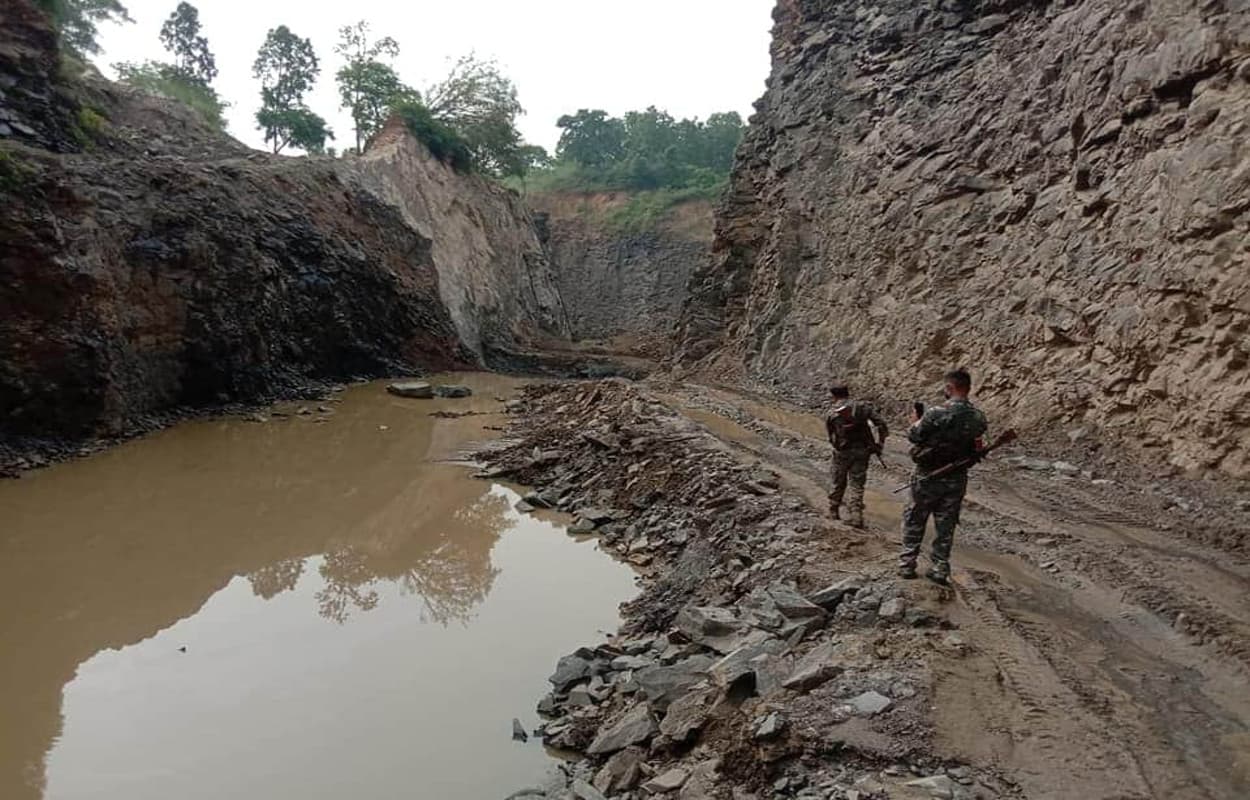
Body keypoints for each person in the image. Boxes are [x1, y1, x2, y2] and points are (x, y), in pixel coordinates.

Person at [899, 368, 988, 584]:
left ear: (949, 388)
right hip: (956, 478)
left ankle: (907, 564)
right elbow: (977, 446)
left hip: (927, 475)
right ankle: (939, 567)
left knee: (915, 518)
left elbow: (914, 436)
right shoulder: (978, 417)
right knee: (946, 524)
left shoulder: (935, 413)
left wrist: (914, 420)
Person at [824, 384, 888, 528]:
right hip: (862, 451)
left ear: (834, 396)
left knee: (838, 480)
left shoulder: (831, 412)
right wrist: (880, 444)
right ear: (848, 393)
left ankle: (833, 511)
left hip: (841, 452)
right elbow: (882, 424)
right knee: (857, 483)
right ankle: (856, 516)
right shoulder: (863, 408)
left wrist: (836, 445)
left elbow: (830, 435)